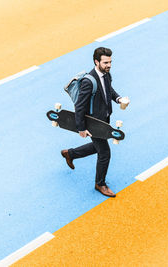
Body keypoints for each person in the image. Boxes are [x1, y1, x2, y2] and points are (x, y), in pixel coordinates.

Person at [61, 47, 129, 197]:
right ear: (96, 61)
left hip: (103, 119)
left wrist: (118, 99)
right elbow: (79, 106)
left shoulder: (106, 74)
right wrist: (81, 128)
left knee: (98, 146)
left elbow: (108, 90)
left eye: (110, 62)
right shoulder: (89, 82)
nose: (109, 65)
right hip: (93, 123)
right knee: (104, 152)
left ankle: (70, 154)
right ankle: (100, 183)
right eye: (105, 62)